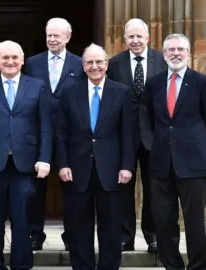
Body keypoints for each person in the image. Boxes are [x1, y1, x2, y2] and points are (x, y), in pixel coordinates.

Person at [0, 40, 52, 270]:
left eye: (15, 57)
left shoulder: (37, 86)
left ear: (23, 60)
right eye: (5, 58)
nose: (10, 62)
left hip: (25, 165)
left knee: (22, 219)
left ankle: (21, 265)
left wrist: (44, 157)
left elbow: (45, 126)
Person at [142, 33, 206, 270]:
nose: (176, 53)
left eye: (180, 49)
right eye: (170, 50)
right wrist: (156, 147)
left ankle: (198, 266)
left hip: (193, 164)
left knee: (194, 221)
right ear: (163, 55)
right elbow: (147, 120)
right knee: (164, 221)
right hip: (161, 164)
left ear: (188, 53)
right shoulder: (153, 84)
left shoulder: (201, 82)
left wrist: (193, 146)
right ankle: (172, 265)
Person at [56, 43, 134, 270]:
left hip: (111, 169)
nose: (94, 66)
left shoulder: (121, 91)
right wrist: (62, 164)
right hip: (77, 168)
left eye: (99, 62)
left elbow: (127, 133)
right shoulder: (70, 92)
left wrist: (127, 166)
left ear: (107, 64)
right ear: (83, 66)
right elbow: (61, 132)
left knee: (110, 225)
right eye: (89, 62)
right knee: (79, 225)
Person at [106, 18, 167, 253]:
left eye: (139, 36)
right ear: (125, 39)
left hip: (154, 136)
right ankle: (124, 237)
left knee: (154, 189)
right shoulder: (114, 64)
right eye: (130, 36)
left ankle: (152, 236)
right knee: (122, 188)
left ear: (148, 38)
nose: (135, 41)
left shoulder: (162, 61)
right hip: (122, 135)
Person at [25, 17, 85, 251]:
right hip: (38, 134)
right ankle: (34, 234)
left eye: (56, 35)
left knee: (71, 186)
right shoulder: (32, 63)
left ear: (67, 37)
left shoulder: (80, 64)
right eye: (49, 35)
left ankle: (71, 235)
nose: (51, 39)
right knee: (35, 187)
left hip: (70, 137)